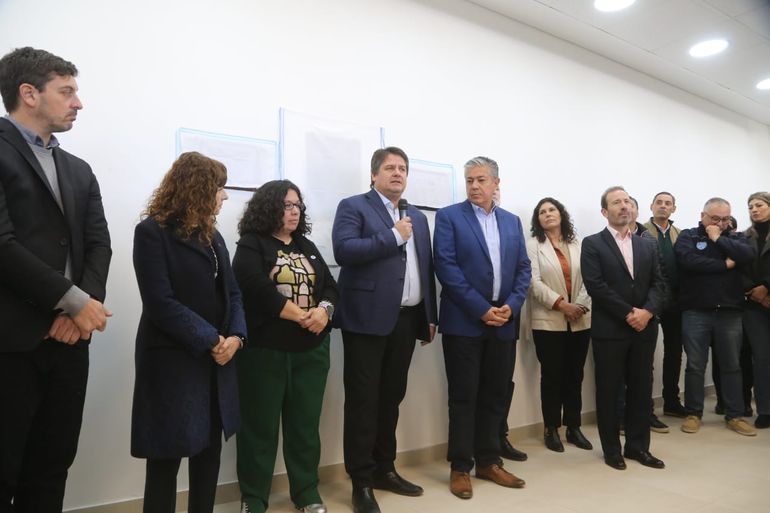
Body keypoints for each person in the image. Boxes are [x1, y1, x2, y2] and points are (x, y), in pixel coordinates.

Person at [0, 47, 112, 512]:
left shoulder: (79, 170)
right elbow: (2, 244)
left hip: (69, 343)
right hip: (11, 342)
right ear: (29, 93)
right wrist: (74, 301)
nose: (78, 103)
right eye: (66, 92)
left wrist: (78, 311)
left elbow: (99, 244)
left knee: (51, 467)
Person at [131, 152, 246, 513]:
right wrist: (211, 339)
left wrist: (236, 338)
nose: (224, 196)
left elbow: (233, 294)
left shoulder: (213, 237)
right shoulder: (152, 232)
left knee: (208, 455)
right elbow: (160, 302)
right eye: (219, 188)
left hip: (216, 361)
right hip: (172, 362)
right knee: (165, 460)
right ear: (198, 188)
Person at [331, 147, 437, 513]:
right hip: (365, 319)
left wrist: (429, 316)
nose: (397, 173)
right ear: (374, 174)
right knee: (363, 402)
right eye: (390, 167)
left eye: (402, 168)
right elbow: (344, 250)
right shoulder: (353, 206)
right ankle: (361, 481)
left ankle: (384, 469)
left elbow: (425, 267)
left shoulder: (417, 216)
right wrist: (393, 236)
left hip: (406, 320)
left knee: (391, 398)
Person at [233, 180, 339, 513]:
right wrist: (299, 314)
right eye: (287, 205)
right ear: (269, 207)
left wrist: (324, 311)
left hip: (311, 352)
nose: (295, 212)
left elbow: (331, 287)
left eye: (298, 206)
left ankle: (306, 493)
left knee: (304, 428)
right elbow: (253, 287)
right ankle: (254, 498)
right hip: (265, 352)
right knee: (259, 429)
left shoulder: (307, 245)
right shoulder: (252, 244)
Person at [434, 156, 531, 500]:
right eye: (469, 180)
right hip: (464, 322)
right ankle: (461, 466)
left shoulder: (511, 221)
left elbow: (523, 268)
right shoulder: (449, 217)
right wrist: (481, 309)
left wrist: (512, 305)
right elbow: (446, 267)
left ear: (496, 184)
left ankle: (489, 461)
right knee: (464, 397)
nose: (474, 186)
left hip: (504, 321)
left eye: (481, 180)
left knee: (495, 394)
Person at [581, 186, 666, 471]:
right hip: (610, 330)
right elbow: (596, 286)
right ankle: (612, 450)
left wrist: (647, 312)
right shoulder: (593, 244)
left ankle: (638, 447)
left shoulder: (646, 244)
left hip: (644, 329)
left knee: (641, 390)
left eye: (627, 201)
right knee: (608, 391)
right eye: (617, 202)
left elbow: (659, 283)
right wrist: (630, 313)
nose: (624, 206)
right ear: (605, 211)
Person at [675, 197, 756, 436]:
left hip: (730, 311)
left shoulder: (735, 238)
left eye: (725, 219)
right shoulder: (688, 236)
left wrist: (718, 238)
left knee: (732, 365)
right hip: (695, 311)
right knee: (695, 365)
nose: (720, 223)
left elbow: (747, 255)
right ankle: (693, 413)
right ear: (702, 216)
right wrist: (725, 265)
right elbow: (689, 261)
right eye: (715, 219)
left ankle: (735, 415)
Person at [525, 197, 592, 452]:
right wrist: (562, 305)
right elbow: (533, 282)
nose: (548, 214)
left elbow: (591, 278)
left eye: (552, 209)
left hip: (580, 319)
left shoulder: (577, 244)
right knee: (552, 376)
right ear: (538, 220)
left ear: (561, 214)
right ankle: (551, 428)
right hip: (548, 321)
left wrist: (580, 306)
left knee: (575, 376)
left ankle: (574, 427)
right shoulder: (533, 245)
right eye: (542, 212)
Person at [643, 192, 687, 418]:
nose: (663, 206)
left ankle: (671, 401)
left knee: (674, 352)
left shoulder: (681, 234)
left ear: (673, 209)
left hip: (676, 301)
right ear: (651, 206)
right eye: (658, 202)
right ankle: (645, 407)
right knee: (645, 355)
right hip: (649, 300)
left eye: (667, 203)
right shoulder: (640, 232)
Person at [741, 192, 770, 429]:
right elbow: (738, 270)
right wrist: (756, 292)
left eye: (759, 205)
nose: (754, 210)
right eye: (750, 206)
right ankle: (766, 410)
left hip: (765, 295)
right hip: (753, 306)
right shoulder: (743, 237)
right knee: (761, 359)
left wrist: (767, 287)